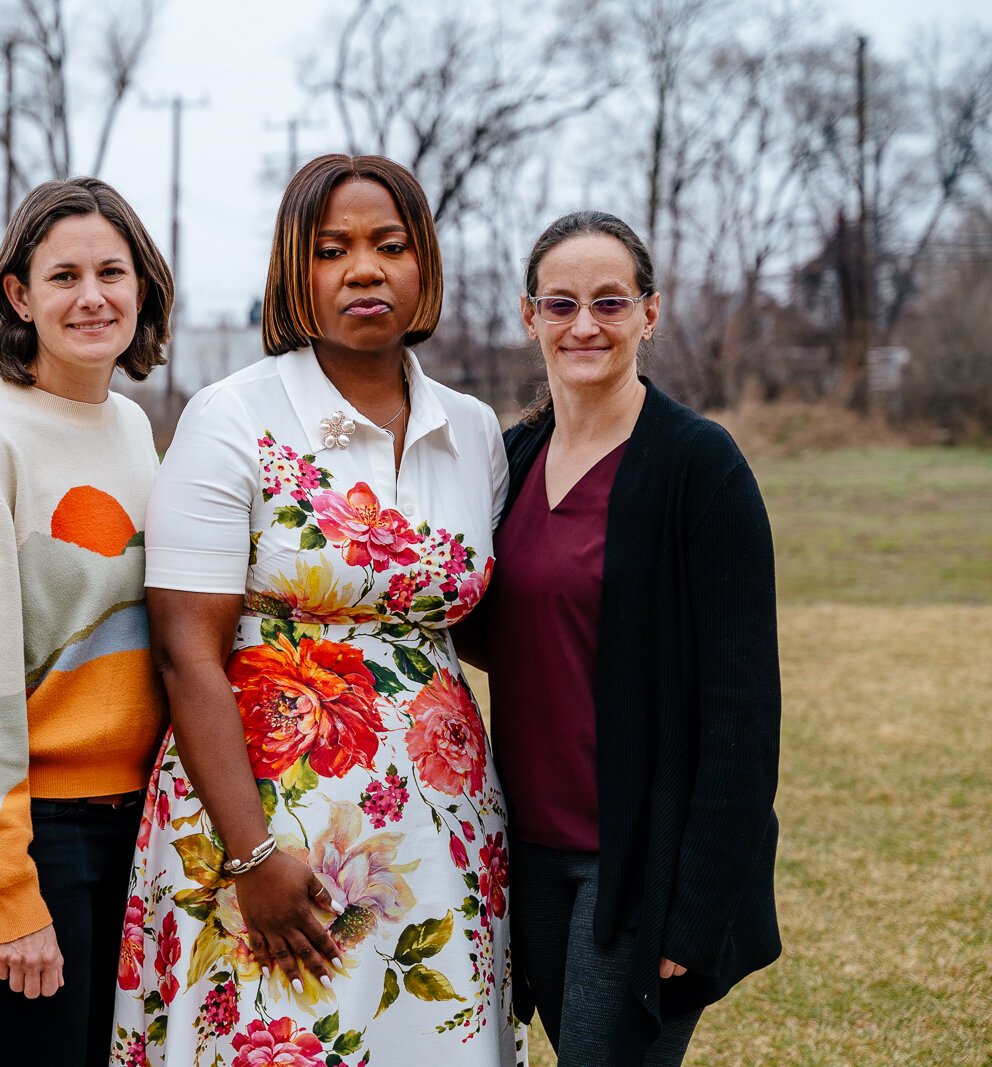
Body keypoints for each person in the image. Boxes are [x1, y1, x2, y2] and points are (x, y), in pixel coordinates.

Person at [113, 154, 524, 1065]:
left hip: (442, 826)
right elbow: (185, 653)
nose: (364, 269)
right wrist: (252, 857)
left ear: (425, 264)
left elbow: (475, 616)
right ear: (294, 273)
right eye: (332, 250)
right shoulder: (231, 418)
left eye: (390, 245)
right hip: (266, 826)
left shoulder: (473, 430)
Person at [481, 210, 781, 1065]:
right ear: (529, 315)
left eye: (609, 302)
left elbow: (743, 708)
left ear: (649, 313)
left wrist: (697, 905)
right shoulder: (510, 459)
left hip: (642, 861)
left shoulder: (699, 464)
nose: (585, 324)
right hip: (527, 850)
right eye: (561, 303)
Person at [0, 176, 173, 1066]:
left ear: (142, 287)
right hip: (28, 837)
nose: (92, 297)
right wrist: (10, 890)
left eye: (111, 273)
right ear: (20, 295)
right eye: (64, 277)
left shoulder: (131, 426)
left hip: (134, 824)